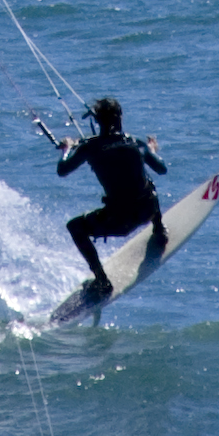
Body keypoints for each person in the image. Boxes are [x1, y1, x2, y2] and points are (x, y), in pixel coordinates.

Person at [55, 96, 168, 298]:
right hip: (146, 212)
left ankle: (101, 281)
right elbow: (162, 168)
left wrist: (66, 150)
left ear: (97, 121)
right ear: (121, 117)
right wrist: (150, 150)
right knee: (146, 181)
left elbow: (62, 170)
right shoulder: (137, 144)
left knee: (75, 227)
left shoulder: (89, 148)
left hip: (119, 222)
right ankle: (159, 230)